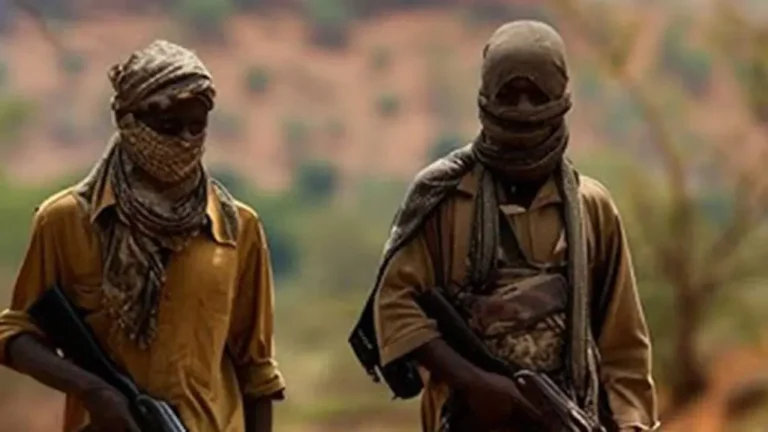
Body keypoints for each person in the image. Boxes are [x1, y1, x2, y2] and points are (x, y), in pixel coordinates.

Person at [349, 20, 658, 432]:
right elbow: (394, 305)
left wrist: (631, 424)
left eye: (538, 95)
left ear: (561, 99)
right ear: (486, 97)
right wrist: (476, 383)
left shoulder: (590, 208)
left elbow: (624, 348)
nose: (524, 109)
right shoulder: (442, 197)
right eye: (509, 95)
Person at [0, 40, 285, 432]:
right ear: (127, 121)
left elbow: (257, 371)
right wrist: (93, 391)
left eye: (197, 126)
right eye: (168, 127)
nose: (185, 139)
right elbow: (17, 333)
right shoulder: (67, 221)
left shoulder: (237, 228)